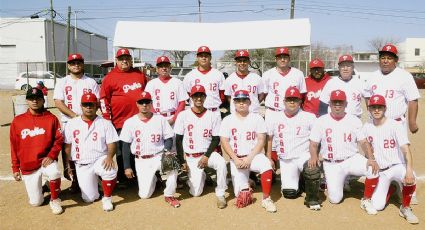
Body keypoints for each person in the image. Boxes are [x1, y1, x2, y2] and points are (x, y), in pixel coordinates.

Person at [364, 44, 420, 204]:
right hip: (376, 123)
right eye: (383, 57)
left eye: (389, 58)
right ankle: (383, 182)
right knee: (378, 154)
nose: (385, 61)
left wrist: (412, 121)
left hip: (396, 122)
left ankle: (409, 187)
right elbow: (367, 96)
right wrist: (371, 114)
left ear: (396, 60)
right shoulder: (373, 76)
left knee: (402, 155)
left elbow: (413, 100)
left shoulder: (404, 76)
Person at [306, 89, 379, 210]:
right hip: (332, 164)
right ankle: (339, 182)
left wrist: (371, 158)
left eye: (340, 102)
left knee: (372, 168)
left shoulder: (354, 120)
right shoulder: (321, 121)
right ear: (329, 103)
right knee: (335, 199)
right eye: (334, 102)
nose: (337, 105)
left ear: (346, 104)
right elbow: (313, 144)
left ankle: (366, 199)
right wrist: (313, 157)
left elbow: (363, 142)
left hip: (351, 159)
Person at [361, 94, 418, 224]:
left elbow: (406, 149)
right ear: (369, 109)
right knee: (377, 206)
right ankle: (392, 188)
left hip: (397, 166)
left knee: (411, 175)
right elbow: (362, 143)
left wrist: (409, 170)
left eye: (379, 107)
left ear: (385, 109)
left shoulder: (395, 125)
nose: (376, 110)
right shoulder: (367, 126)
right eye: (373, 107)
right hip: (381, 171)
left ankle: (405, 207)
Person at [119, 91, 180, 208]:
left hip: (158, 155)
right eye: (141, 102)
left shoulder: (160, 119)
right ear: (137, 104)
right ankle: (156, 179)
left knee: (173, 167)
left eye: (147, 102)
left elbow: (168, 138)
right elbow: (125, 145)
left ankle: (169, 195)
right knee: (144, 195)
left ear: (151, 103)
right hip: (141, 160)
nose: (144, 105)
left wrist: (166, 152)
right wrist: (127, 166)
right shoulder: (130, 122)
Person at [219, 90, 276, 213]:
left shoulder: (257, 118)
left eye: (244, 100)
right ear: (234, 103)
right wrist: (234, 159)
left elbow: (261, 140)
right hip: (237, 159)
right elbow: (224, 141)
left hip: (253, 156)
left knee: (266, 164)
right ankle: (248, 181)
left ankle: (266, 199)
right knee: (241, 196)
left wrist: (249, 158)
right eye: (238, 101)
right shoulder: (227, 119)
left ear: (249, 102)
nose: (241, 103)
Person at [99, 48, 148, 188]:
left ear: (131, 60)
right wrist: (107, 119)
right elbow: (103, 99)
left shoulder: (139, 74)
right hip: (119, 121)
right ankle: (123, 178)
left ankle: (139, 175)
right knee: (121, 150)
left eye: (127, 58)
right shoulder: (110, 77)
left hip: (140, 119)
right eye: (121, 59)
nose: (124, 61)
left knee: (139, 147)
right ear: (117, 61)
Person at [10, 88, 63, 214]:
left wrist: (51, 155)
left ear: (43, 100)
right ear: (27, 101)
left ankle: (55, 200)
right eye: (31, 99)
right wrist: (15, 168)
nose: (35, 101)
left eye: (38, 99)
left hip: (46, 161)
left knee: (54, 172)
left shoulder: (51, 118)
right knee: (36, 202)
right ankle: (45, 186)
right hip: (28, 165)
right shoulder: (18, 121)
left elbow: (59, 139)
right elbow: (14, 146)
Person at [174, 85, 228, 208]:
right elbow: (178, 139)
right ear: (191, 97)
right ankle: (201, 176)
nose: (199, 98)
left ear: (205, 97)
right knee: (196, 193)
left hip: (208, 154)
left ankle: (220, 193)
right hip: (192, 157)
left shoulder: (213, 115)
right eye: (196, 95)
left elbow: (215, 139)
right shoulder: (183, 115)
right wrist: (182, 161)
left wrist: (206, 156)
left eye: (201, 95)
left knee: (221, 163)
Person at [64, 93, 119, 211]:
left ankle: (107, 198)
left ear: (97, 106)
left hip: (100, 158)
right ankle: (98, 184)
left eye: (91, 105)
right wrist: (69, 165)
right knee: (89, 198)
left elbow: (112, 144)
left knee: (110, 170)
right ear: (81, 106)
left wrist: (109, 157)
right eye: (85, 105)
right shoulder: (72, 123)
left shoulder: (105, 123)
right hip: (82, 163)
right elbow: (67, 146)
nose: (88, 107)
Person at [53, 53, 100, 193]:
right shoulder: (62, 82)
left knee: (91, 148)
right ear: (68, 65)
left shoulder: (90, 82)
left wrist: (88, 116)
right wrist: (74, 116)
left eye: (78, 62)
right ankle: (74, 180)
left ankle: (94, 178)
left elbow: (97, 101)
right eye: (73, 63)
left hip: (88, 121)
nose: (76, 65)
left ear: (82, 64)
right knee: (70, 150)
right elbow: (58, 102)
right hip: (69, 121)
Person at [266, 87, 316, 199]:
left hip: (303, 155)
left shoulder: (309, 117)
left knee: (312, 170)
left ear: (300, 101)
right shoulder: (274, 117)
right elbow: (269, 138)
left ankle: (306, 181)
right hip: (286, 159)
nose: (292, 102)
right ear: (284, 102)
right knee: (289, 193)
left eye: (295, 99)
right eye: (289, 99)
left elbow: (315, 140)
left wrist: (314, 156)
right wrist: (269, 157)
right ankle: (298, 181)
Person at [262, 47, 307, 160]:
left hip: (291, 113)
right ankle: (271, 165)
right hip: (273, 111)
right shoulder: (268, 74)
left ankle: (292, 165)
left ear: (289, 58)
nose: (282, 59)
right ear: (276, 59)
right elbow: (264, 94)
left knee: (290, 138)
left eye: (285, 57)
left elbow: (302, 95)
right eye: (280, 57)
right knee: (270, 138)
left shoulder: (298, 74)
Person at [145, 55, 188, 127]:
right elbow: (147, 102)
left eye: (166, 66)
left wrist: (174, 119)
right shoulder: (151, 83)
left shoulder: (178, 82)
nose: (164, 68)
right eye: (161, 66)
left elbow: (182, 103)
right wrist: (156, 118)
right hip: (156, 118)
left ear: (170, 68)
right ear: (157, 69)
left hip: (174, 118)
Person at [183, 46, 226, 119]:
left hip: (213, 112)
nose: (204, 58)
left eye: (206, 56)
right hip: (195, 113)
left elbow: (222, 95)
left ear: (210, 58)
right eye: (201, 56)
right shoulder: (190, 75)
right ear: (197, 58)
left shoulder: (218, 74)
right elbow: (187, 95)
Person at [223, 50, 266, 114]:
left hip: (253, 113)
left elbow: (261, 95)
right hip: (236, 114)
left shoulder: (257, 78)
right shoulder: (229, 79)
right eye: (239, 61)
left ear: (249, 62)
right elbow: (229, 97)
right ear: (236, 63)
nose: (242, 63)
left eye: (244, 60)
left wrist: (253, 104)